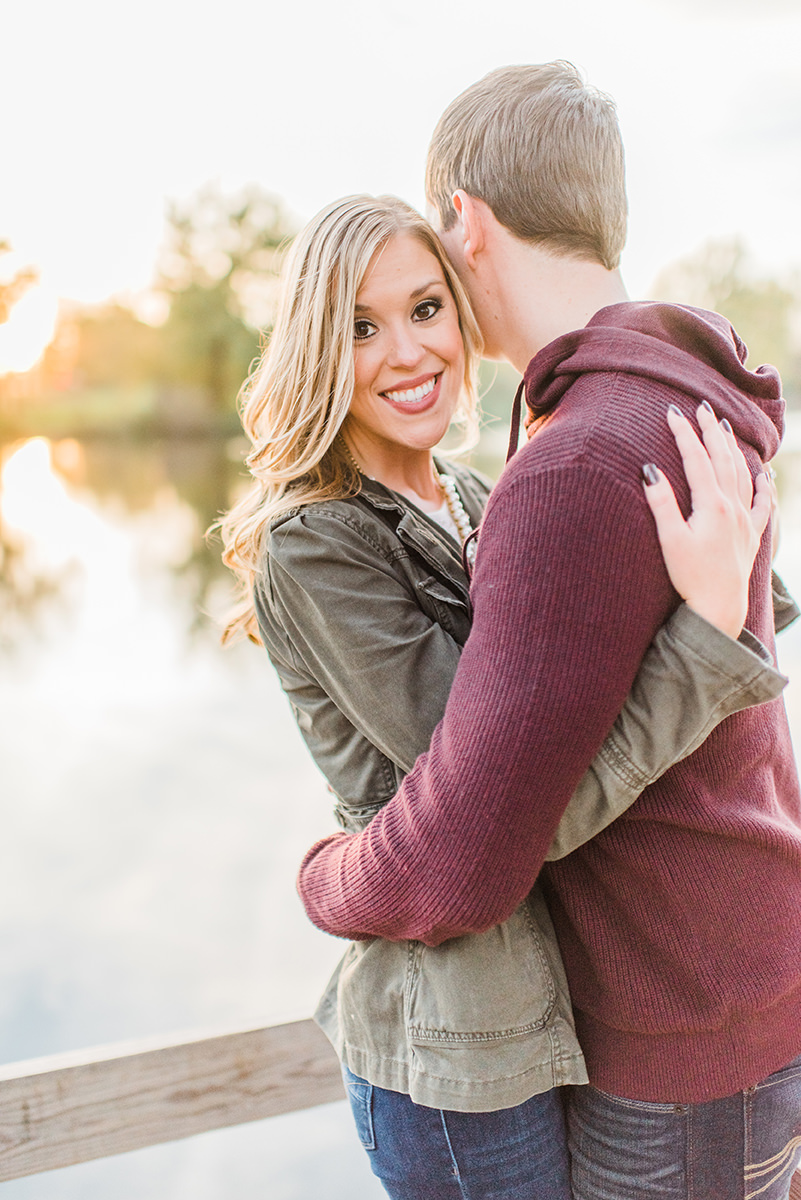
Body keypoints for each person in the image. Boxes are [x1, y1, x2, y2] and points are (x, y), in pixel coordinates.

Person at [220, 192, 790, 1199]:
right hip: (458, 1047)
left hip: (559, 1015)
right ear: (316, 346)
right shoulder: (314, 542)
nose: (407, 351)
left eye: (426, 308)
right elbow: (504, 808)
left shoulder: (482, 494)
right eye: (360, 326)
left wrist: (723, 571)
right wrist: (704, 646)